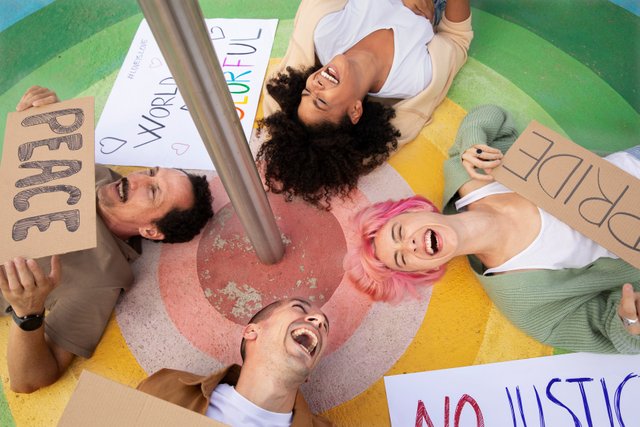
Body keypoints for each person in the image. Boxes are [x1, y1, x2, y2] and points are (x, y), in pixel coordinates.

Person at [344, 105, 640, 354]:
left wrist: (473, 144)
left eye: (398, 233)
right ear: (425, 270)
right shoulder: (522, 302)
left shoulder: (467, 173)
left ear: (415, 210)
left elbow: (489, 116)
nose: (409, 245)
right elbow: (608, 331)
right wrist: (629, 323)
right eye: (403, 259)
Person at [0, 86, 214, 393]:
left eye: (152, 191)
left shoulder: (99, 278)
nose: (137, 179)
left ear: (151, 231)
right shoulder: (104, 177)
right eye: (151, 172)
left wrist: (28, 314)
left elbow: (30, 379)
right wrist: (47, 119)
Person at [256, 0, 473, 208]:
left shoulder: (326, 32)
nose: (316, 85)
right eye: (320, 101)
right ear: (355, 111)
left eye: (306, 91)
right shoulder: (415, 78)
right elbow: (457, 36)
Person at [138, 297, 333, 427]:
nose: (318, 322)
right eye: (298, 308)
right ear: (251, 332)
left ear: (309, 373)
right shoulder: (165, 390)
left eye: (324, 326)